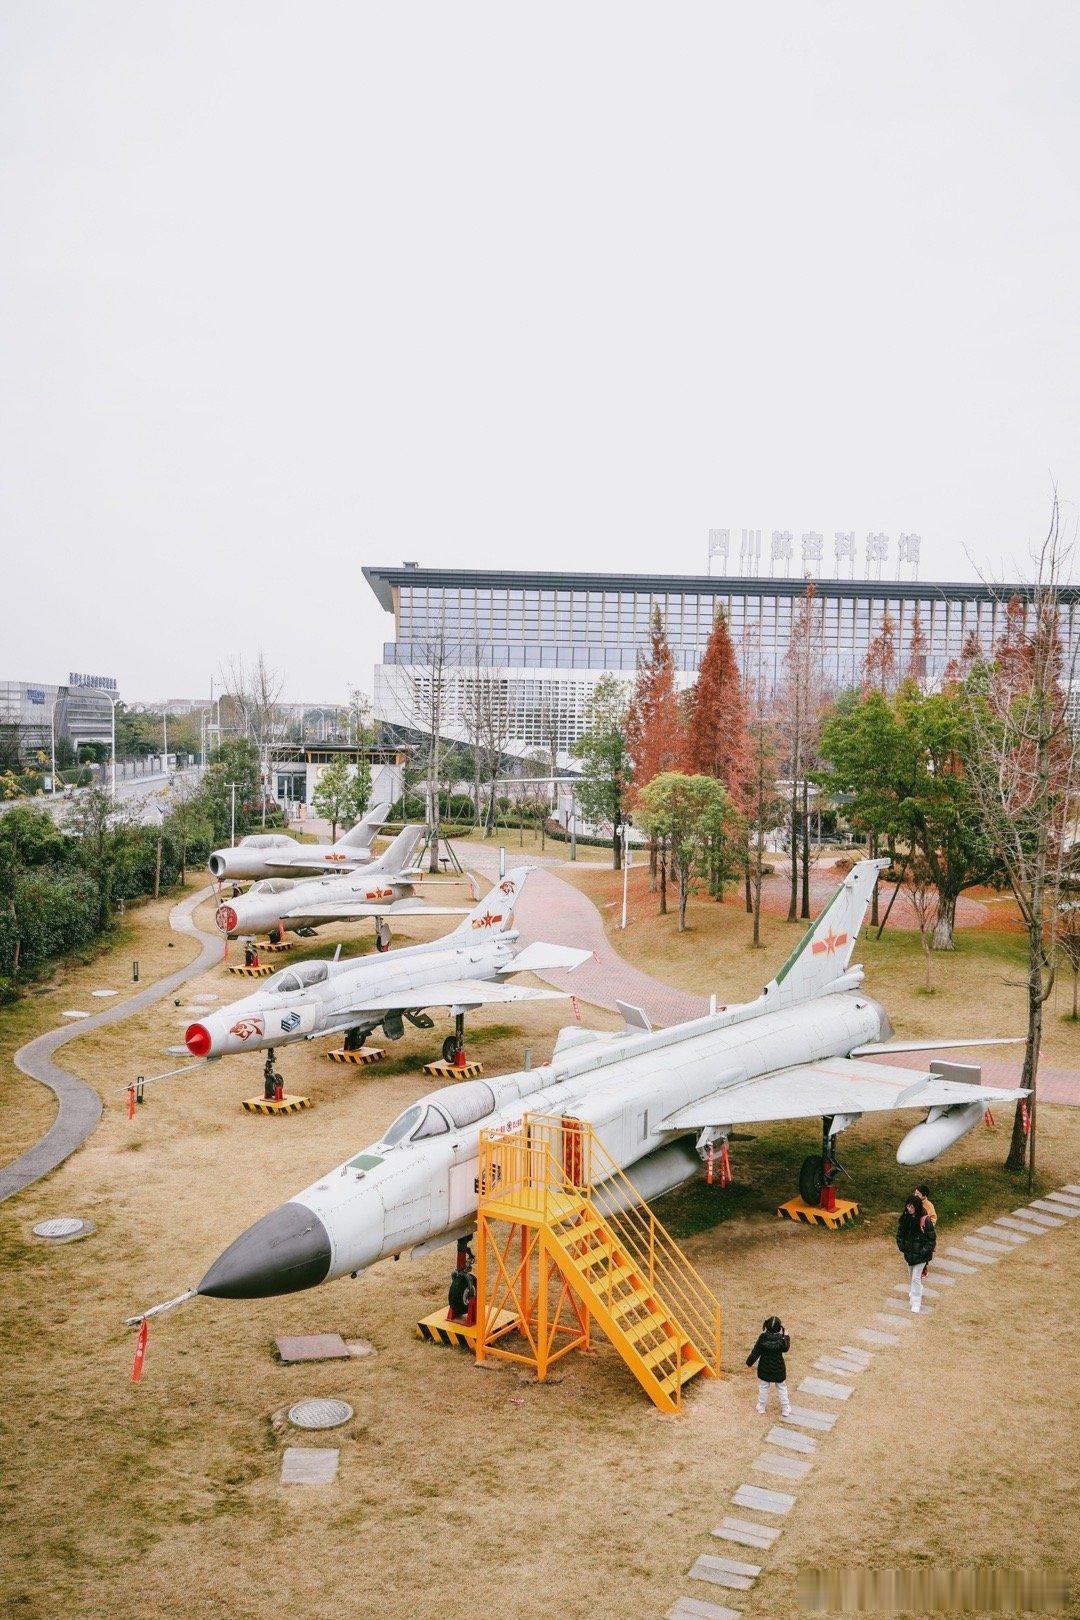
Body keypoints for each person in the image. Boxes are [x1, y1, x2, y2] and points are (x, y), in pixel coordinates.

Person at [896, 1194, 936, 1312]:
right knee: (912, 1276)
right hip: (909, 1254)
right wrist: (902, 1246)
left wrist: (922, 1252)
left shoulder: (925, 1219)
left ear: (917, 1207)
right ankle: (916, 1291)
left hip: (921, 1255)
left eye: (912, 1207)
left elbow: (931, 1239)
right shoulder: (905, 1218)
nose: (909, 1209)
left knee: (915, 1278)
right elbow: (900, 1234)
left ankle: (916, 1302)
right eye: (908, 1206)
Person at [746, 1315, 792, 1416]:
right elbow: (786, 1348)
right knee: (782, 1388)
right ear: (779, 1328)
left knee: (763, 1387)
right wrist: (786, 1336)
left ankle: (761, 1407)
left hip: (764, 1368)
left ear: (766, 1326)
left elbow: (756, 1352)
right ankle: (785, 1408)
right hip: (778, 1369)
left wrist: (749, 1362)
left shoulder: (763, 1338)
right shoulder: (781, 1339)